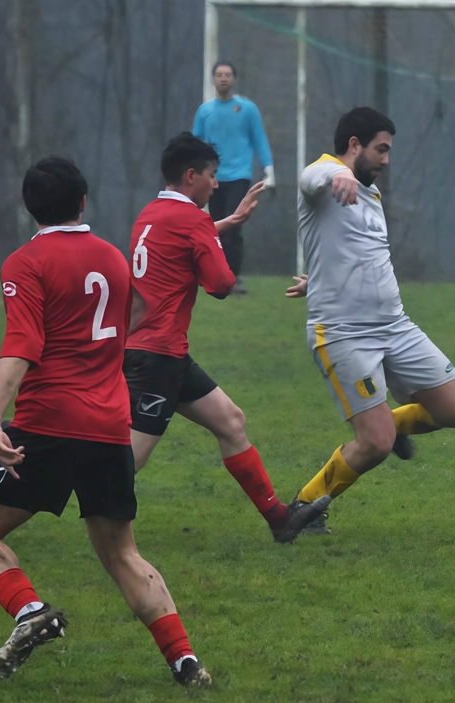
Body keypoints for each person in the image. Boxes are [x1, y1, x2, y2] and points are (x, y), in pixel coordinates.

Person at [0, 156, 211, 685]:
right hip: (110, 425)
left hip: (45, 426)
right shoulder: (112, 258)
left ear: (29, 207)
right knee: (123, 554)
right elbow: (138, 310)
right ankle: (186, 663)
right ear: (83, 202)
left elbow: (21, 344)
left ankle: (29, 611)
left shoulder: (25, 263)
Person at [125, 133, 328, 543]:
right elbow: (220, 283)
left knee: (231, 422)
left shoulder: (151, 213)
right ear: (190, 176)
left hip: (160, 352)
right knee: (125, 461)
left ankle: (280, 520)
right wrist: (213, 234)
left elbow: (181, 241)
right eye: (212, 176)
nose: (217, 185)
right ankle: (25, 469)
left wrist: (225, 223)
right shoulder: (192, 221)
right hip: (157, 358)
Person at [286, 107, 455, 531]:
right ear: (354, 146)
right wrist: (336, 173)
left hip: (395, 327)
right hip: (343, 334)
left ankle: (389, 423)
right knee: (374, 444)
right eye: (381, 149)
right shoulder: (326, 177)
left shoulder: (369, 194)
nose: (386, 160)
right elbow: (309, 178)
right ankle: (303, 505)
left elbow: (356, 252)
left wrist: (315, 279)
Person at [192, 60, 276, 294]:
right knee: (215, 227)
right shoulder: (205, 111)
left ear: (234, 79)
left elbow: (259, 138)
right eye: (219, 74)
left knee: (234, 223)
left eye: (227, 74)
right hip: (213, 177)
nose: (223, 78)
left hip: (239, 175)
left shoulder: (247, 109)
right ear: (213, 79)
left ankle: (234, 277)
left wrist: (269, 169)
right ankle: (217, 276)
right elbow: (194, 144)